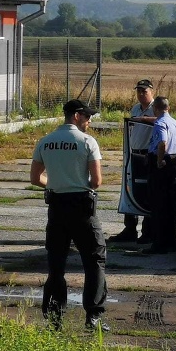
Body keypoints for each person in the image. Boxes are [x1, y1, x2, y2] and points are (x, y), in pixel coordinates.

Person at [30, 99, 109, 332]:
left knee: (56, 265)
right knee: (94, 261)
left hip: (57, 207)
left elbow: (35, 178)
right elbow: (96, 181)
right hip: (82, 208)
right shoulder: (87, 142)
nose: (90, 120)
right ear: (76, 116)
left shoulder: (46, 141)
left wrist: (54, 183)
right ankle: (93, 316)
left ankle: (55, 317)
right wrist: (78, 183)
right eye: (87, 116)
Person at [111, 79, 156, 244]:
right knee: (129, 189)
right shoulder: (136, 108)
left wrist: (144, 120)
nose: (141, 94)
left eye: (144, 91)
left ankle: (147, 231)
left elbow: (162, 121)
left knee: (146, 192)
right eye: (139, 91)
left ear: (152, 91)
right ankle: (129, 229)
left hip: (147, 154)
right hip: (133, 153)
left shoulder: (155, 108)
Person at [143, 96, 176, 255]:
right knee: (169, 205)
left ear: (156, 108)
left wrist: (159, 161)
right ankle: (171, 243)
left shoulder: (160, 123)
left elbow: (162, 143)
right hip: (174, 163)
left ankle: (159, 244)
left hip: (161, 164)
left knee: (158, 205)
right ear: (168, 107)